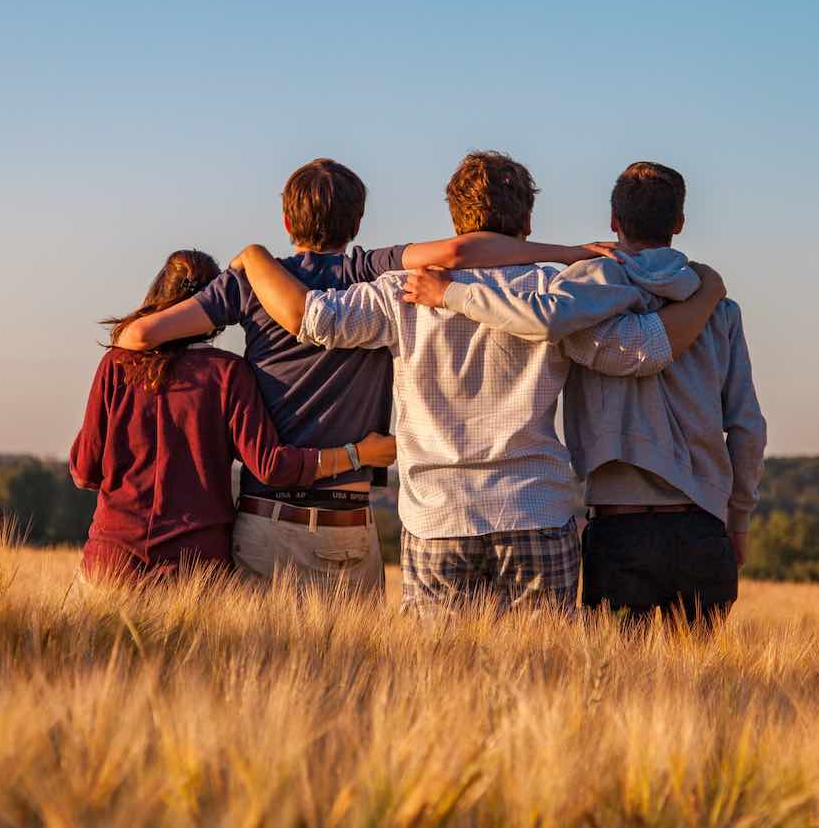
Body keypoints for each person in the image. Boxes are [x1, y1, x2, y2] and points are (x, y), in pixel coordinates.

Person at [229, 151, 726, 616]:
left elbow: (312, 319)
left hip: (437, 517)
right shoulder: (556, 292)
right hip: (535, 509)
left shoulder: (400, 291)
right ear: (527, 223)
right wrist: (706, 295)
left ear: (454, 220)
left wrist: (254, 257)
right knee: (543, 681)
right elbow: (640, 352)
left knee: (439, 682)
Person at [112, 158, 614, 593]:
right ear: (358, 222)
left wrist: (246, 271)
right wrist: (568, 254)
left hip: (269, 517)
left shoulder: (251, 283)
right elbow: (462, 253)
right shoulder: (371, 271)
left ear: (287, 219)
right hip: (353, 521)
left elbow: (138, 338)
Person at [402, 161, 766, 626]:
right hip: (703, 526)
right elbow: (748, 428)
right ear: (678, 223)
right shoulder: (718, 308)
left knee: (610, 687)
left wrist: (452, 294)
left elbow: (543, 319)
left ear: (614, 221)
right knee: (701, 691)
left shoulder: (580, 294)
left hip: (619, 528)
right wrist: (738, 520)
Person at [69, 248, 396, 583]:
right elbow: (271, 466)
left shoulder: (116, 365)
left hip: (111, 560)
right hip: (195, 566)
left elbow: (84, 471)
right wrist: (358, 454)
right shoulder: (228, 373)